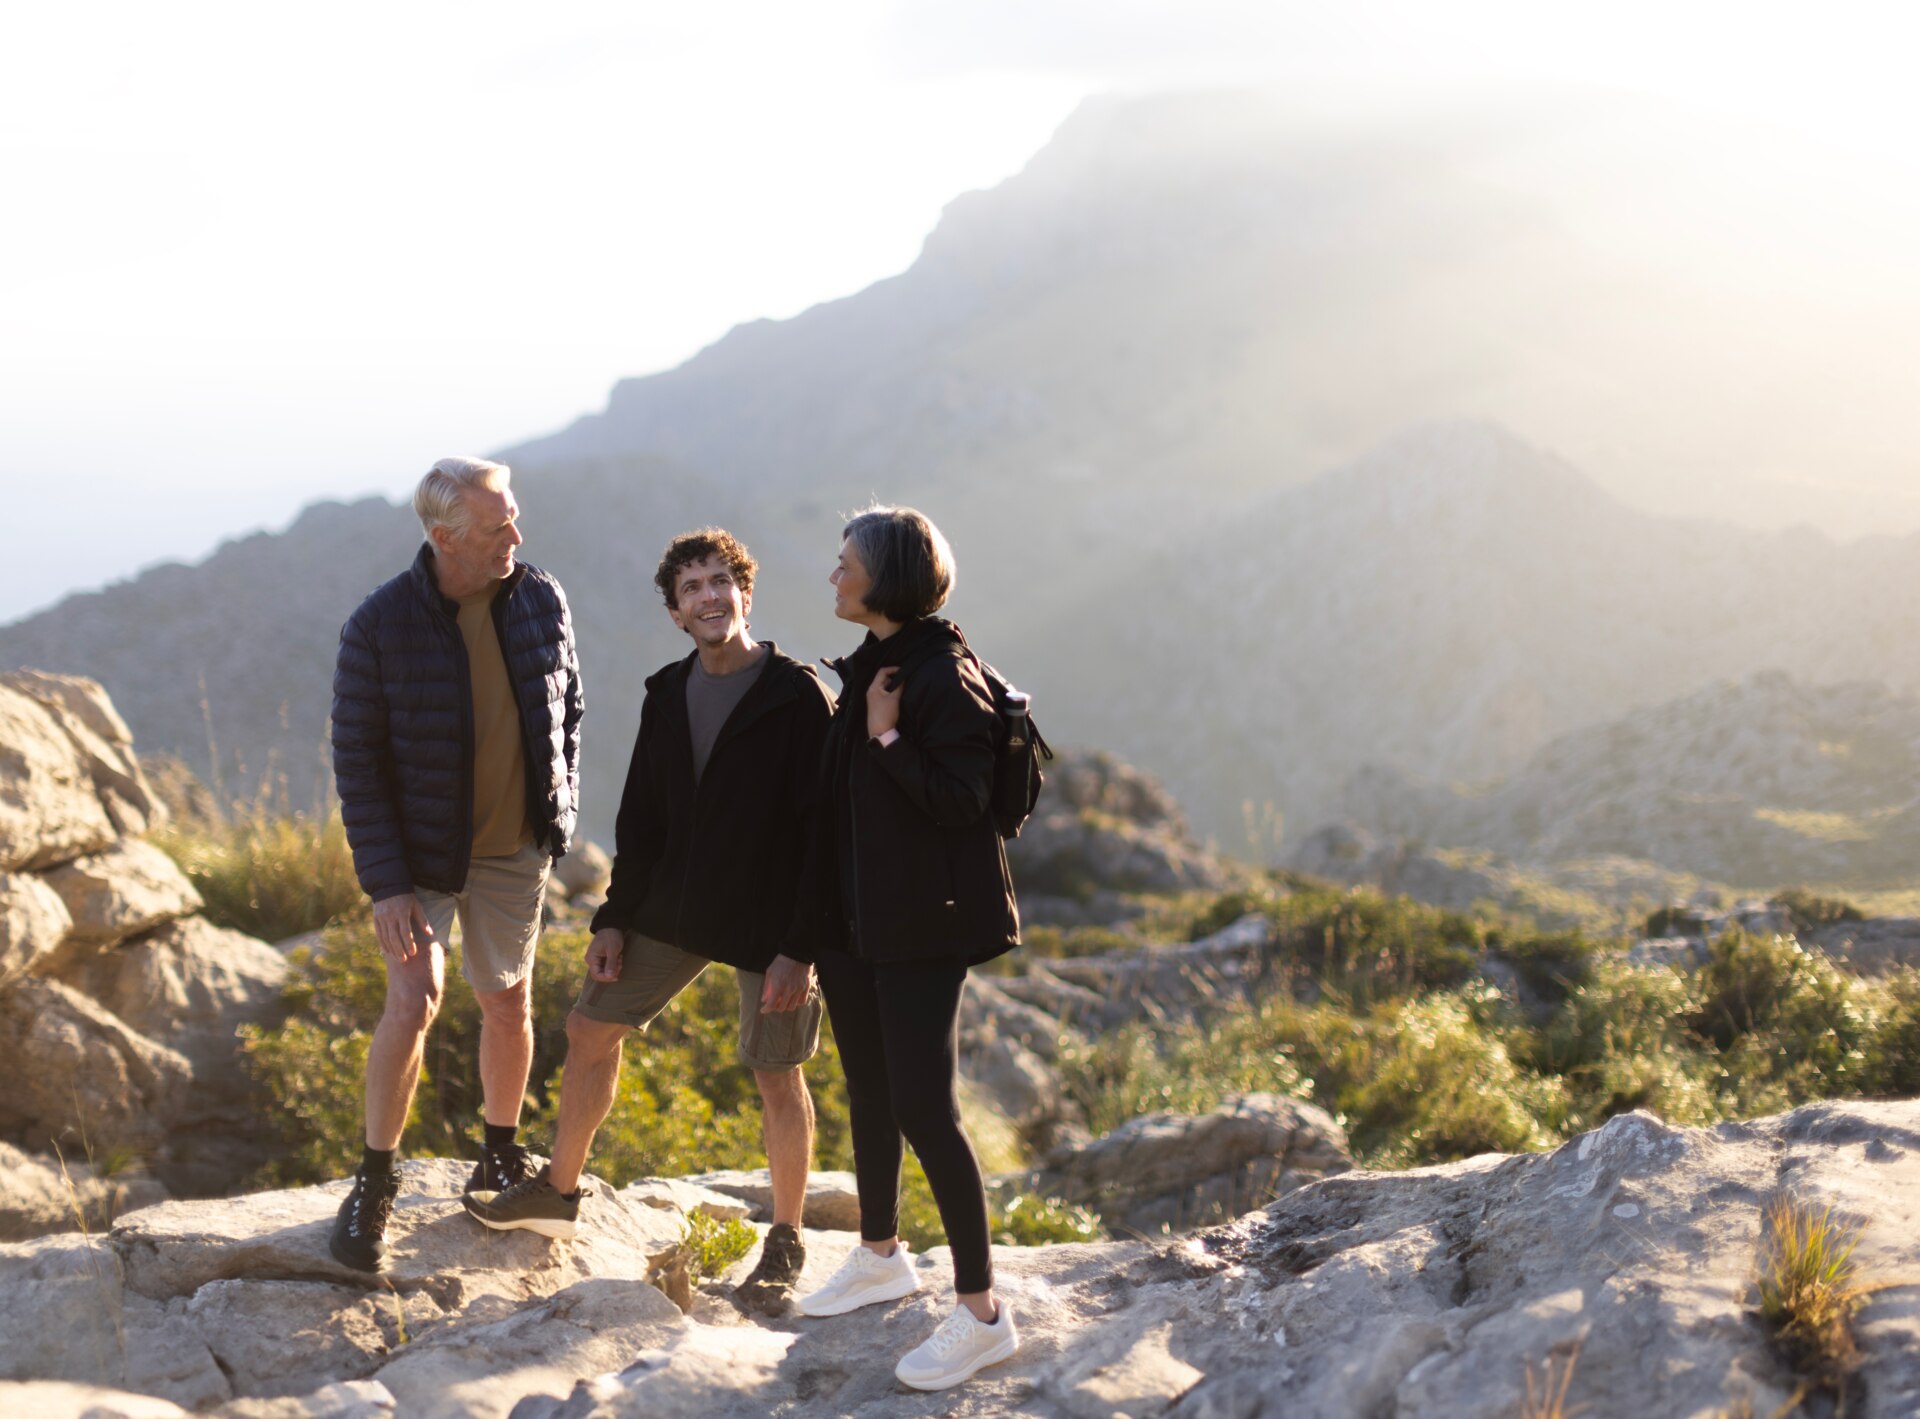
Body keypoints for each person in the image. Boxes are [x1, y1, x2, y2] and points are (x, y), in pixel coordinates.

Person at [464, 528, 834, 1316]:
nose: (708, 596)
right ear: (675, 612)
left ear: (746, 592)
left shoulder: (797, 694)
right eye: (691, 588)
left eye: (720, 581)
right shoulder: (666, 691)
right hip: (674, 903)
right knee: (591, 1024)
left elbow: (827, 833)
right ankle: (559, 1191)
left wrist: (799, 949)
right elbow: (645, 819)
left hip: (772, 922)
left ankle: (788, 1237)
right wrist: (613, 917)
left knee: (776, 1074)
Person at [327, 456, 584, 1273]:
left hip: (516, 846)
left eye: (513, 515)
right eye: (497, 523)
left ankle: (498, 1156)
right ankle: (375, 1179)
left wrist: (558, 806)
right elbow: (356, 759)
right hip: (420, 857)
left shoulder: (540, 595)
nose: (517, 533)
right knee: (415, 999)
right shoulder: (379, 625)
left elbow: (569, 704)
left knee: (508, 1001)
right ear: (445, 536)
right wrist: (387, 884)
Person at [791, 505, 1021, 1391]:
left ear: (885, 574)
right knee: (873, 1091)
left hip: (924, 925)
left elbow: (962, 799)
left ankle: (982, 1312)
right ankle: (881, 1253)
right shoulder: (874, 667)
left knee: (928, 1108)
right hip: (861, 924)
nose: (834, 574)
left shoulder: (938, 675)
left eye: (845, 562)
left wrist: (886, 733)